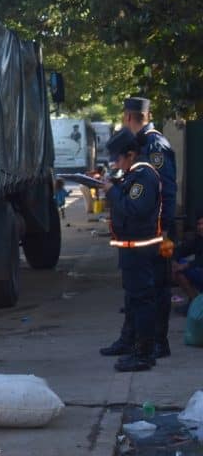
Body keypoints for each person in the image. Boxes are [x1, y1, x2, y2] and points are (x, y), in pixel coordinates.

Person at [99, 128, 162, 372]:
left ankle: (144, 354)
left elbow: (135, 209)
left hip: (140, 248)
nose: (116, 163)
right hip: (130, 247)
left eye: (118, 158)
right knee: (133, 299)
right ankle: (132, 344)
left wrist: (112, 191)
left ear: (131, 154)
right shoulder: (133, 174)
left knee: (142, 300)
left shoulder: (144, 175)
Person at [121, 96, 177, 359]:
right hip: (144, 231)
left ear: (128, 117)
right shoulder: (142, 143)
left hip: (156, 232)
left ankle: (157, 342)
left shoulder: (154, 145)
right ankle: (131, 338)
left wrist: (163, 228)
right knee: (139, 287)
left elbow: (166, 190)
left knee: (156, 286)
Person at [171, 212, 203, 312]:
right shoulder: (198, 239)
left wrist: (186, 266)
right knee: (177, 268)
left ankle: (197, 306)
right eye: (199, 224)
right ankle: (196, 303)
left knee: (181, 270)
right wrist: (174, 261)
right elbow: (181, 250)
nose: (200, 227)